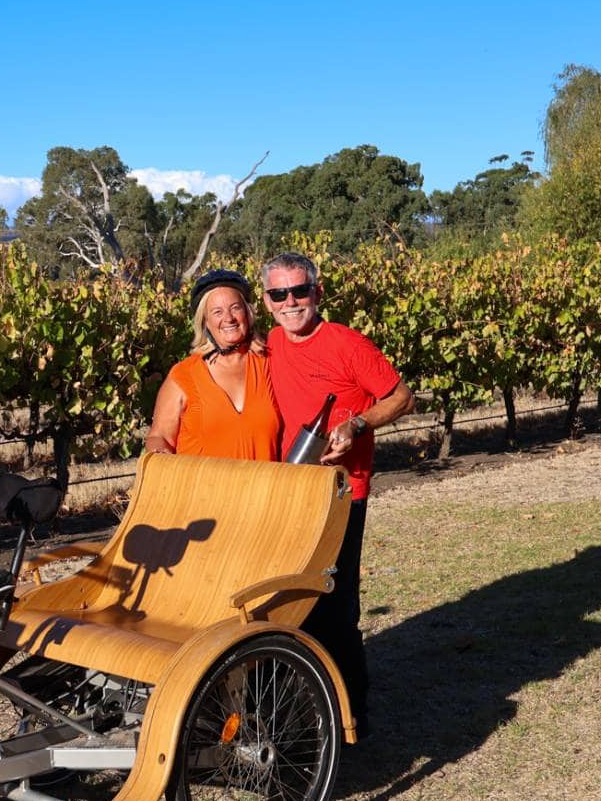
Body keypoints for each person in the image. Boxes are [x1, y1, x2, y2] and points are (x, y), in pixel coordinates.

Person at [260, 250, 414, 739]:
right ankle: (301, 709)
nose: (290, 302)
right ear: (266, 302)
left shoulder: (347, 344)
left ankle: (351, 717)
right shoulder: (270, 346)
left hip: (341, 492)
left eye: (299, 291)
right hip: (288, 488)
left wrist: (358, 423)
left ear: (317, 293)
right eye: (278, 294)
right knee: (288, 603)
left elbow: (401, 396)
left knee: (335, 603)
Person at [145, 268, 282, 460]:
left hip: (263, 488)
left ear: (248, 313)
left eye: (235, 308)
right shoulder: (184, 375)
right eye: (217, 312)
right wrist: (159, 452)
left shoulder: (269, 363)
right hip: (203, 489)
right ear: (205, 322)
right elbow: (158, 436)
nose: (229, 318)